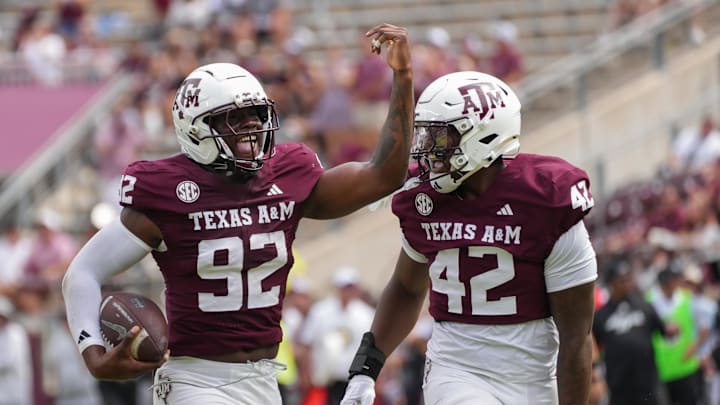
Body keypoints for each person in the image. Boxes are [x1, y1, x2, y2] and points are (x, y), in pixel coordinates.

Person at [61, 23, 413, 405]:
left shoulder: (287, 175)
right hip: (196, 380)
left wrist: (403, 77)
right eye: (234, 118)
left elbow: (384, 175)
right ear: (196, 128)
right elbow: (83, 271)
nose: (251, 126)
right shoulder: (168, 189)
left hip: (263, 381)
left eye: (255, 115)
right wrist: (90, 348)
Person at [340, 70, 598, 405]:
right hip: (457, 368)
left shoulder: (546, 198)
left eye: (441, 138)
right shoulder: (425, 198)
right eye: (426, 138)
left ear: (485, 137)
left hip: (534, 373)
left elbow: (576, 337)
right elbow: (406, 288)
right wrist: (365, 368)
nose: (429, 152)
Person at [593, 256, 673, 405]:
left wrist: (671, 330)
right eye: (622, 279)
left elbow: (662, 330)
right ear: (611, 283)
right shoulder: (601, 316)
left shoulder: (644, 305)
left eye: (628, 278)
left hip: (648, 383)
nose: (627, 283)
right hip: (619, 386)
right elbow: (594, 347)